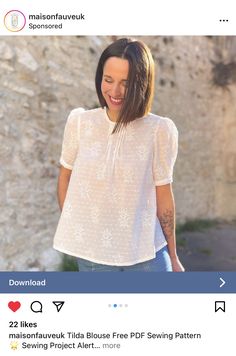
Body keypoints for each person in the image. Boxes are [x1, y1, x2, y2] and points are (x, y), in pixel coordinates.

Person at [53, 38, 184, 272]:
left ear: (142, 83)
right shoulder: (80, 123)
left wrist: (173, 257)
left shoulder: (159, 130)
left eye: (126, 82)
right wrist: (80, 231)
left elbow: (164, 196)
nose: (114, 91)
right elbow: (65, 178)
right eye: (108, 79)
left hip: (147, 255)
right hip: (94, 259)